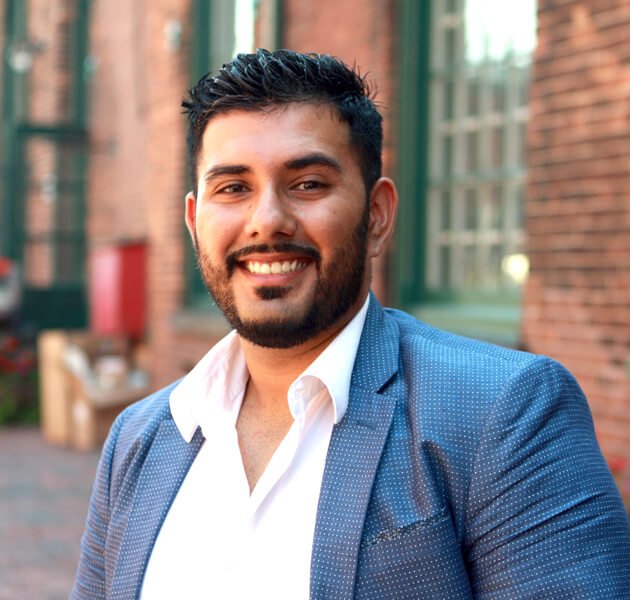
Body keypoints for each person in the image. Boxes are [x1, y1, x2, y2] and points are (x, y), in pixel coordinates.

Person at [72, 49, 630, 599]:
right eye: (233, 188)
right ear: (195, 223)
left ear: (377, 216)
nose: (267, 220)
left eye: (308, 183)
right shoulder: (138, 438)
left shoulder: (503, 411)